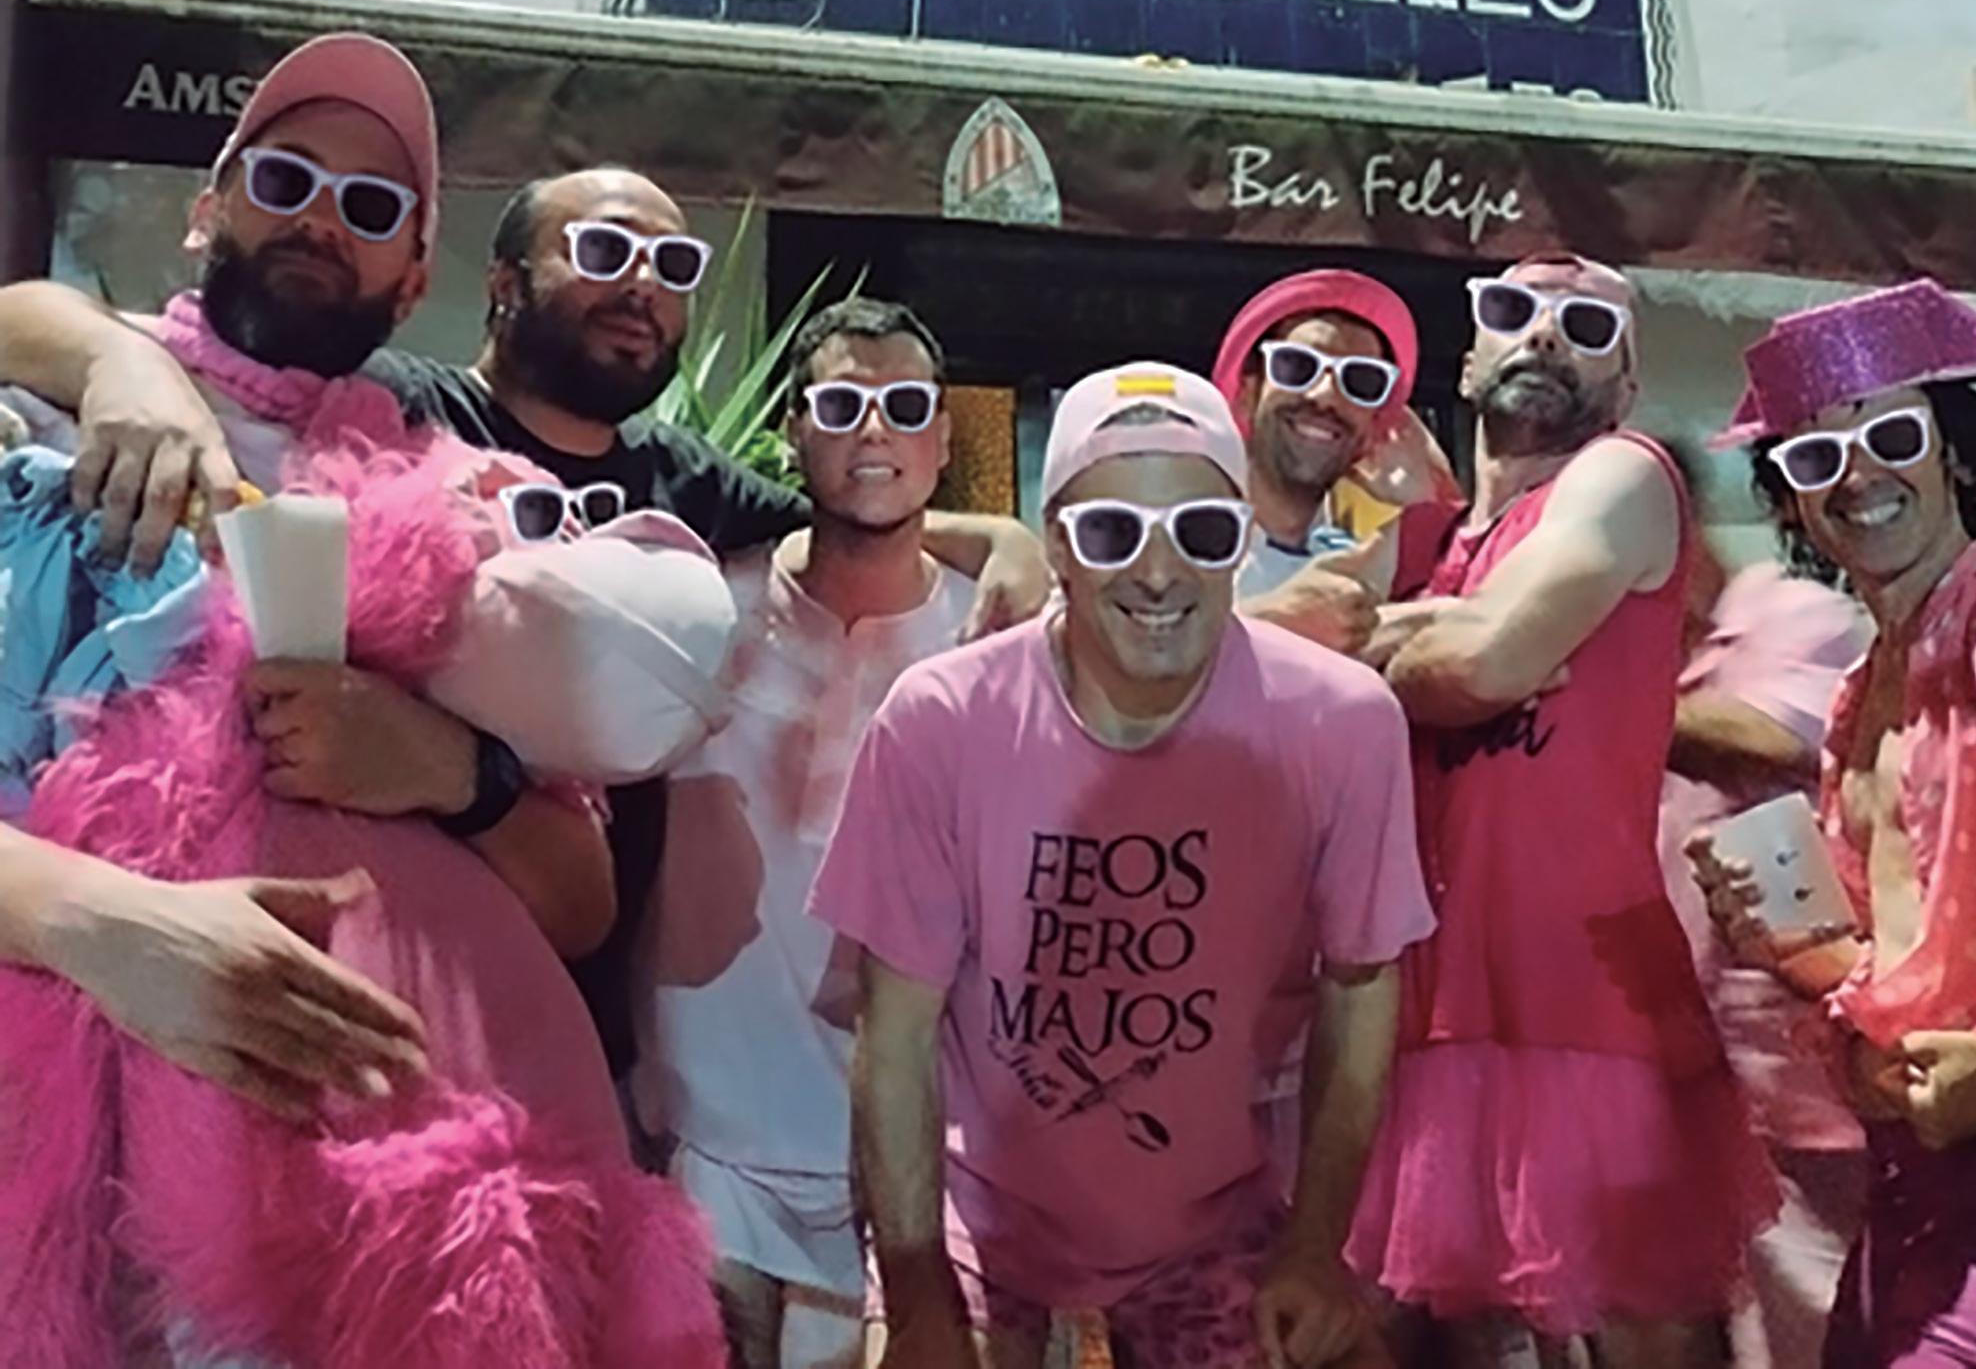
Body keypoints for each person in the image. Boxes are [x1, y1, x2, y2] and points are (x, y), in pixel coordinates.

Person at [0, 161, 1051, 1079]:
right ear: (503, 283)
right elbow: (47, 326)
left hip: (600, 1017)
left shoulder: (684, 482)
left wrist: (999, 537)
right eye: (603, 250)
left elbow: (848, 514)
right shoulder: (392, 414)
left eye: (673, 265)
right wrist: (119, 365)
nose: (642, 285)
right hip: (370, 976)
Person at [0, 32, 610, 1122]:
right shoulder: (41, 418)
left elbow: (581, 905)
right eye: (286, 181)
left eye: (372, 207)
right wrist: (98, 922)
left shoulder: (464, 515)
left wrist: (453, 772)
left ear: (413, 281)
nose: (323, 220)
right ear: (207, 211)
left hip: (332, 1160)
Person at [813, 362, 1434, 1369]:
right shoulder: (941, 720)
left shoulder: (1342, 723)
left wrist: (1317, 1247)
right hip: (980, 1207)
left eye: (1201, 533)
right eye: (1112, 532)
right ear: (1057, 542)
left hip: (1216, 1211)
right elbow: (896, 1032)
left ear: (1243, 540)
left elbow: (1361, 986)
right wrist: (917, 1284)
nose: (1157, 573)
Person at [1692, 279, 1976, 1369]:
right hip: (1912, 1179)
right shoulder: (1856, 697)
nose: (1857, 476)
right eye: (1813, 458)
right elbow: (1909, 971)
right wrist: (1790, 945)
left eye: (1892, 437)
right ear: (1789, 503)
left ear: (1958, 459)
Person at [1352, 252, 1774, 1369]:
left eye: (1586, 326)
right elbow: (1267, 643)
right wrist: (1431, 636)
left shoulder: (1625, 475)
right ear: (1468, 358)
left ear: (1625, 387)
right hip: (1433, 1003)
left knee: (1651, 1338)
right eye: (1513, 312)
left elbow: (1483, 669)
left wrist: (1406, 648)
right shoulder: (1425, 540)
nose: (1544, 336)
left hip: (1588, 1000)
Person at [633, 296, 973, 1369]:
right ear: (792, 429)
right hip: (706, 1132)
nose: (874, 430)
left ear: (943, 437)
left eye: (904, 407)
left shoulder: (999, 635)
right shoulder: (695, 616)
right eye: (841, 406)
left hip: (924, 1153)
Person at [1657, 447, 1872, 1369]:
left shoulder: (1795, 617)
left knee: (1850, 1319)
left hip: (1826, 1070)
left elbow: (1773, 737)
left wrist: (1583, 693)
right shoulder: (1652, 660)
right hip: (1712, 1084)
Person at [1210, 268, 1456, 658]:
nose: (1325, 395)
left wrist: (1424, 502)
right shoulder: (1177, 530)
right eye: (1297, 366)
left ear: (1373, 425)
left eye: (1361, 382)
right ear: (1246, 393)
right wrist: (1277, 622)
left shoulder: (1357, 562)